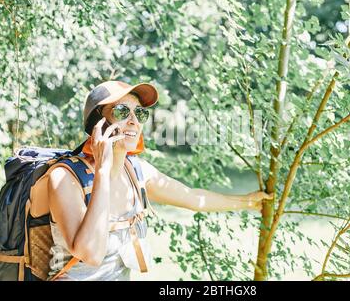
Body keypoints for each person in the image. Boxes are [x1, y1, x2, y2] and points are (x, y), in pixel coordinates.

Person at [46, 80, 272, 280]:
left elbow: (193, 198)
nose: (134, 121)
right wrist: (103, 173)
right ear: (99, 124)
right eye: (123, 112)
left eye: (140, 114)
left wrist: (248, 202)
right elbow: (90, 254)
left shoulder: (135, 172)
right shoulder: (65, 177)